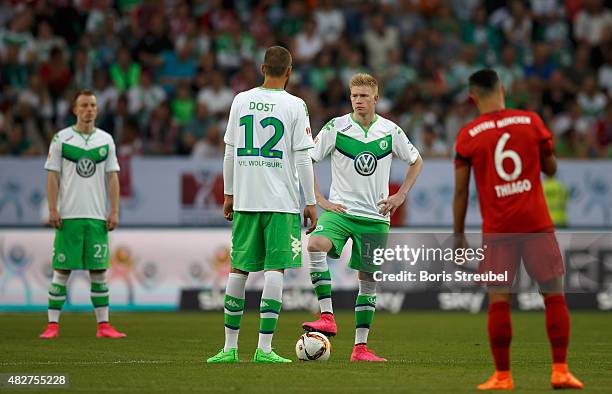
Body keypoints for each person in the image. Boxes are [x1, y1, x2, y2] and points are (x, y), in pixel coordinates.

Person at [453, 69, 583, 390]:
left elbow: (460, 192)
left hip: (498, 230)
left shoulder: (469, 135)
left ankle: (502, 376)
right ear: (503, 89)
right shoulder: (531, 121)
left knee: (499, 301)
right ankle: (561, 371)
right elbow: (551, 170)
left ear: (472, 97)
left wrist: (458, 235)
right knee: (554, 296)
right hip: (536, 224)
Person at [207, 46, 317, 363]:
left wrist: (229, 194)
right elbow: (302, 158)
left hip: (245, 197)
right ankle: (264, 349)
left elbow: (230, 151)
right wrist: (310, 201)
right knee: (275, 270)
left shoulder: (240, 100)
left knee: (239, 268)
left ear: (261, 68)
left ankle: (229, 348)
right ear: (290, 71)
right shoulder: (296, 105)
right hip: (281, 201)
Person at [303, 73, 423, 362]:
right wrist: (319, 200)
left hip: (375, 217)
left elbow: (416, 160)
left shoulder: (390, 131)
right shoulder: (336, 127)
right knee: (315, 245)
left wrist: (400, 195)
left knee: (367, 279)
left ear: (375, 99)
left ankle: (360, 349)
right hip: (340, 212)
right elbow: (307, 159)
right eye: (354, 96)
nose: (358, 101)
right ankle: (327, 316)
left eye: (364, 96)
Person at [40, 90, 126, 339]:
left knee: (99, 272)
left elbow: (113, 177)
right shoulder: (61, 139)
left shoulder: (106, 140)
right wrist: (53, 208)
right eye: (84, 105)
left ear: (97, 110)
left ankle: (104, 326)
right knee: (62, 271)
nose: (89, 109)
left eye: (93, 105)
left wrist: (115, 210)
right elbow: (53, 175)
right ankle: (52, 326)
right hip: (69, 216)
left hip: (97, 217)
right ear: (75, 110)